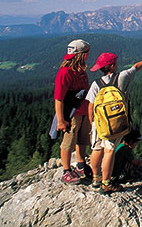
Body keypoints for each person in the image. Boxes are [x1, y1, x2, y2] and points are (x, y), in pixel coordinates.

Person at [86, 53, 142, 194]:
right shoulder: (122, 77)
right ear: (111, 65)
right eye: (115, 63)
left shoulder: (96, 84)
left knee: (97, 149)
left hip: (99, 122)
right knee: (109, 150)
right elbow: (135, 67)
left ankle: (95, 179)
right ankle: (106, 183)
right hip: (115, 122)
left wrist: (93, 123)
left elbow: (91, 106)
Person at [54, 39, 92, 184]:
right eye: (86, 53)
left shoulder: (81, 71)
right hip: (71, 113)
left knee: (82, 139)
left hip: (82, 110)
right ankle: (66, 170)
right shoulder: (65, 73)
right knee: (68, 141)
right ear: (81, 55)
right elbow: (59, 99)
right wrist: (61, 120)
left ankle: (81, 164)